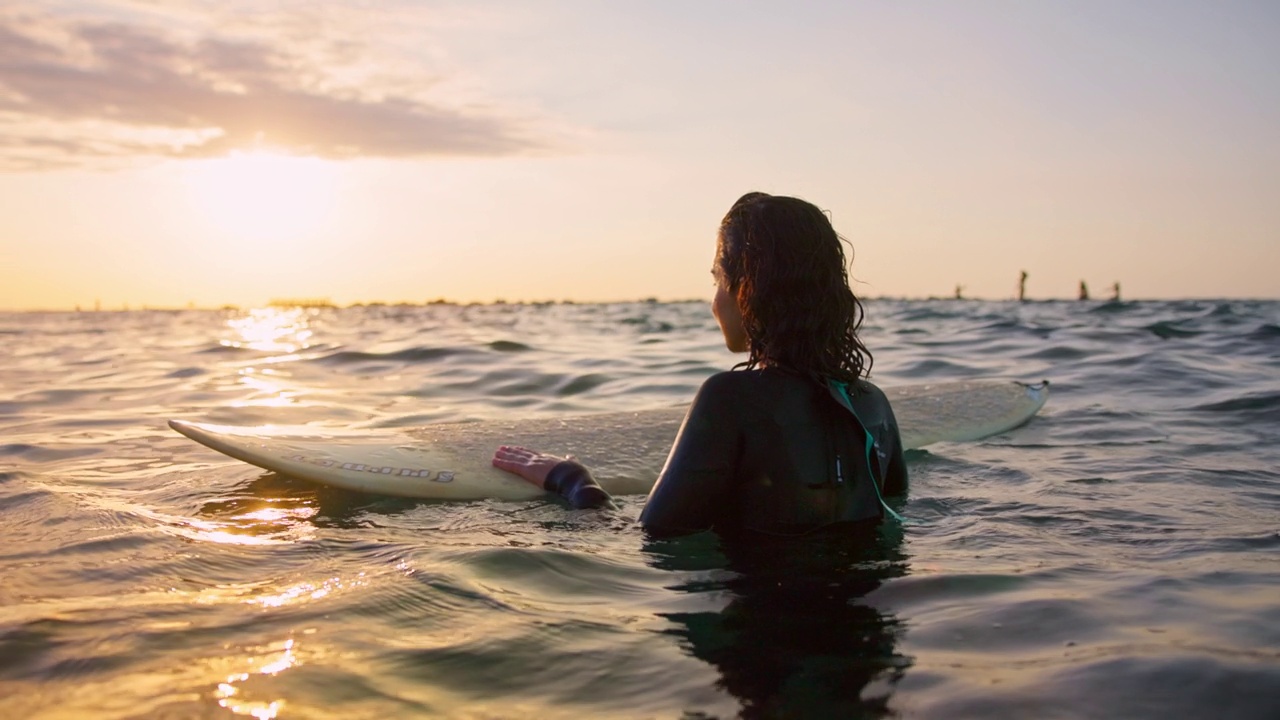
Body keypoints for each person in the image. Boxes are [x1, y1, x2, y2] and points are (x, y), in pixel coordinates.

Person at [492, 192, 907, 537]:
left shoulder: (731, 399)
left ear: (746, 290)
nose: (714, 301)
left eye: (717, 281)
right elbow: (893, 520)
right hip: (868, 623)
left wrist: (573, 480)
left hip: (762, 630)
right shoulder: (873, 404)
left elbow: (649, 537)